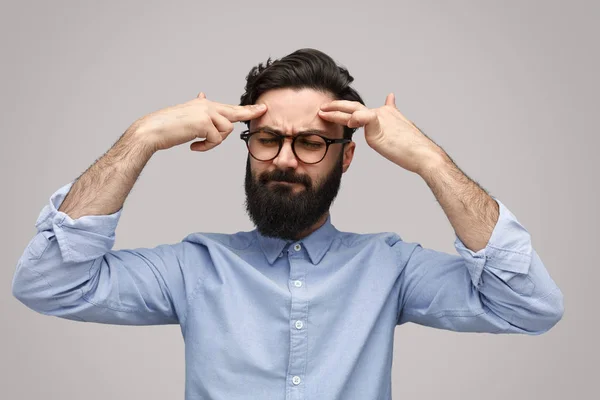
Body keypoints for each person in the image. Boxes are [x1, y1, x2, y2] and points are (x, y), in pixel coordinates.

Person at [11, 48, 564, 400]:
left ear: (346, 157)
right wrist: (142, 138)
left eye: (312, 142)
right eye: (270, 139)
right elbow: (48, 284)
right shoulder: (192, 267)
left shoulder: (390, 267)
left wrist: (429, 160)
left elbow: (530, 307)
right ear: (249, 147)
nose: (285, 159)